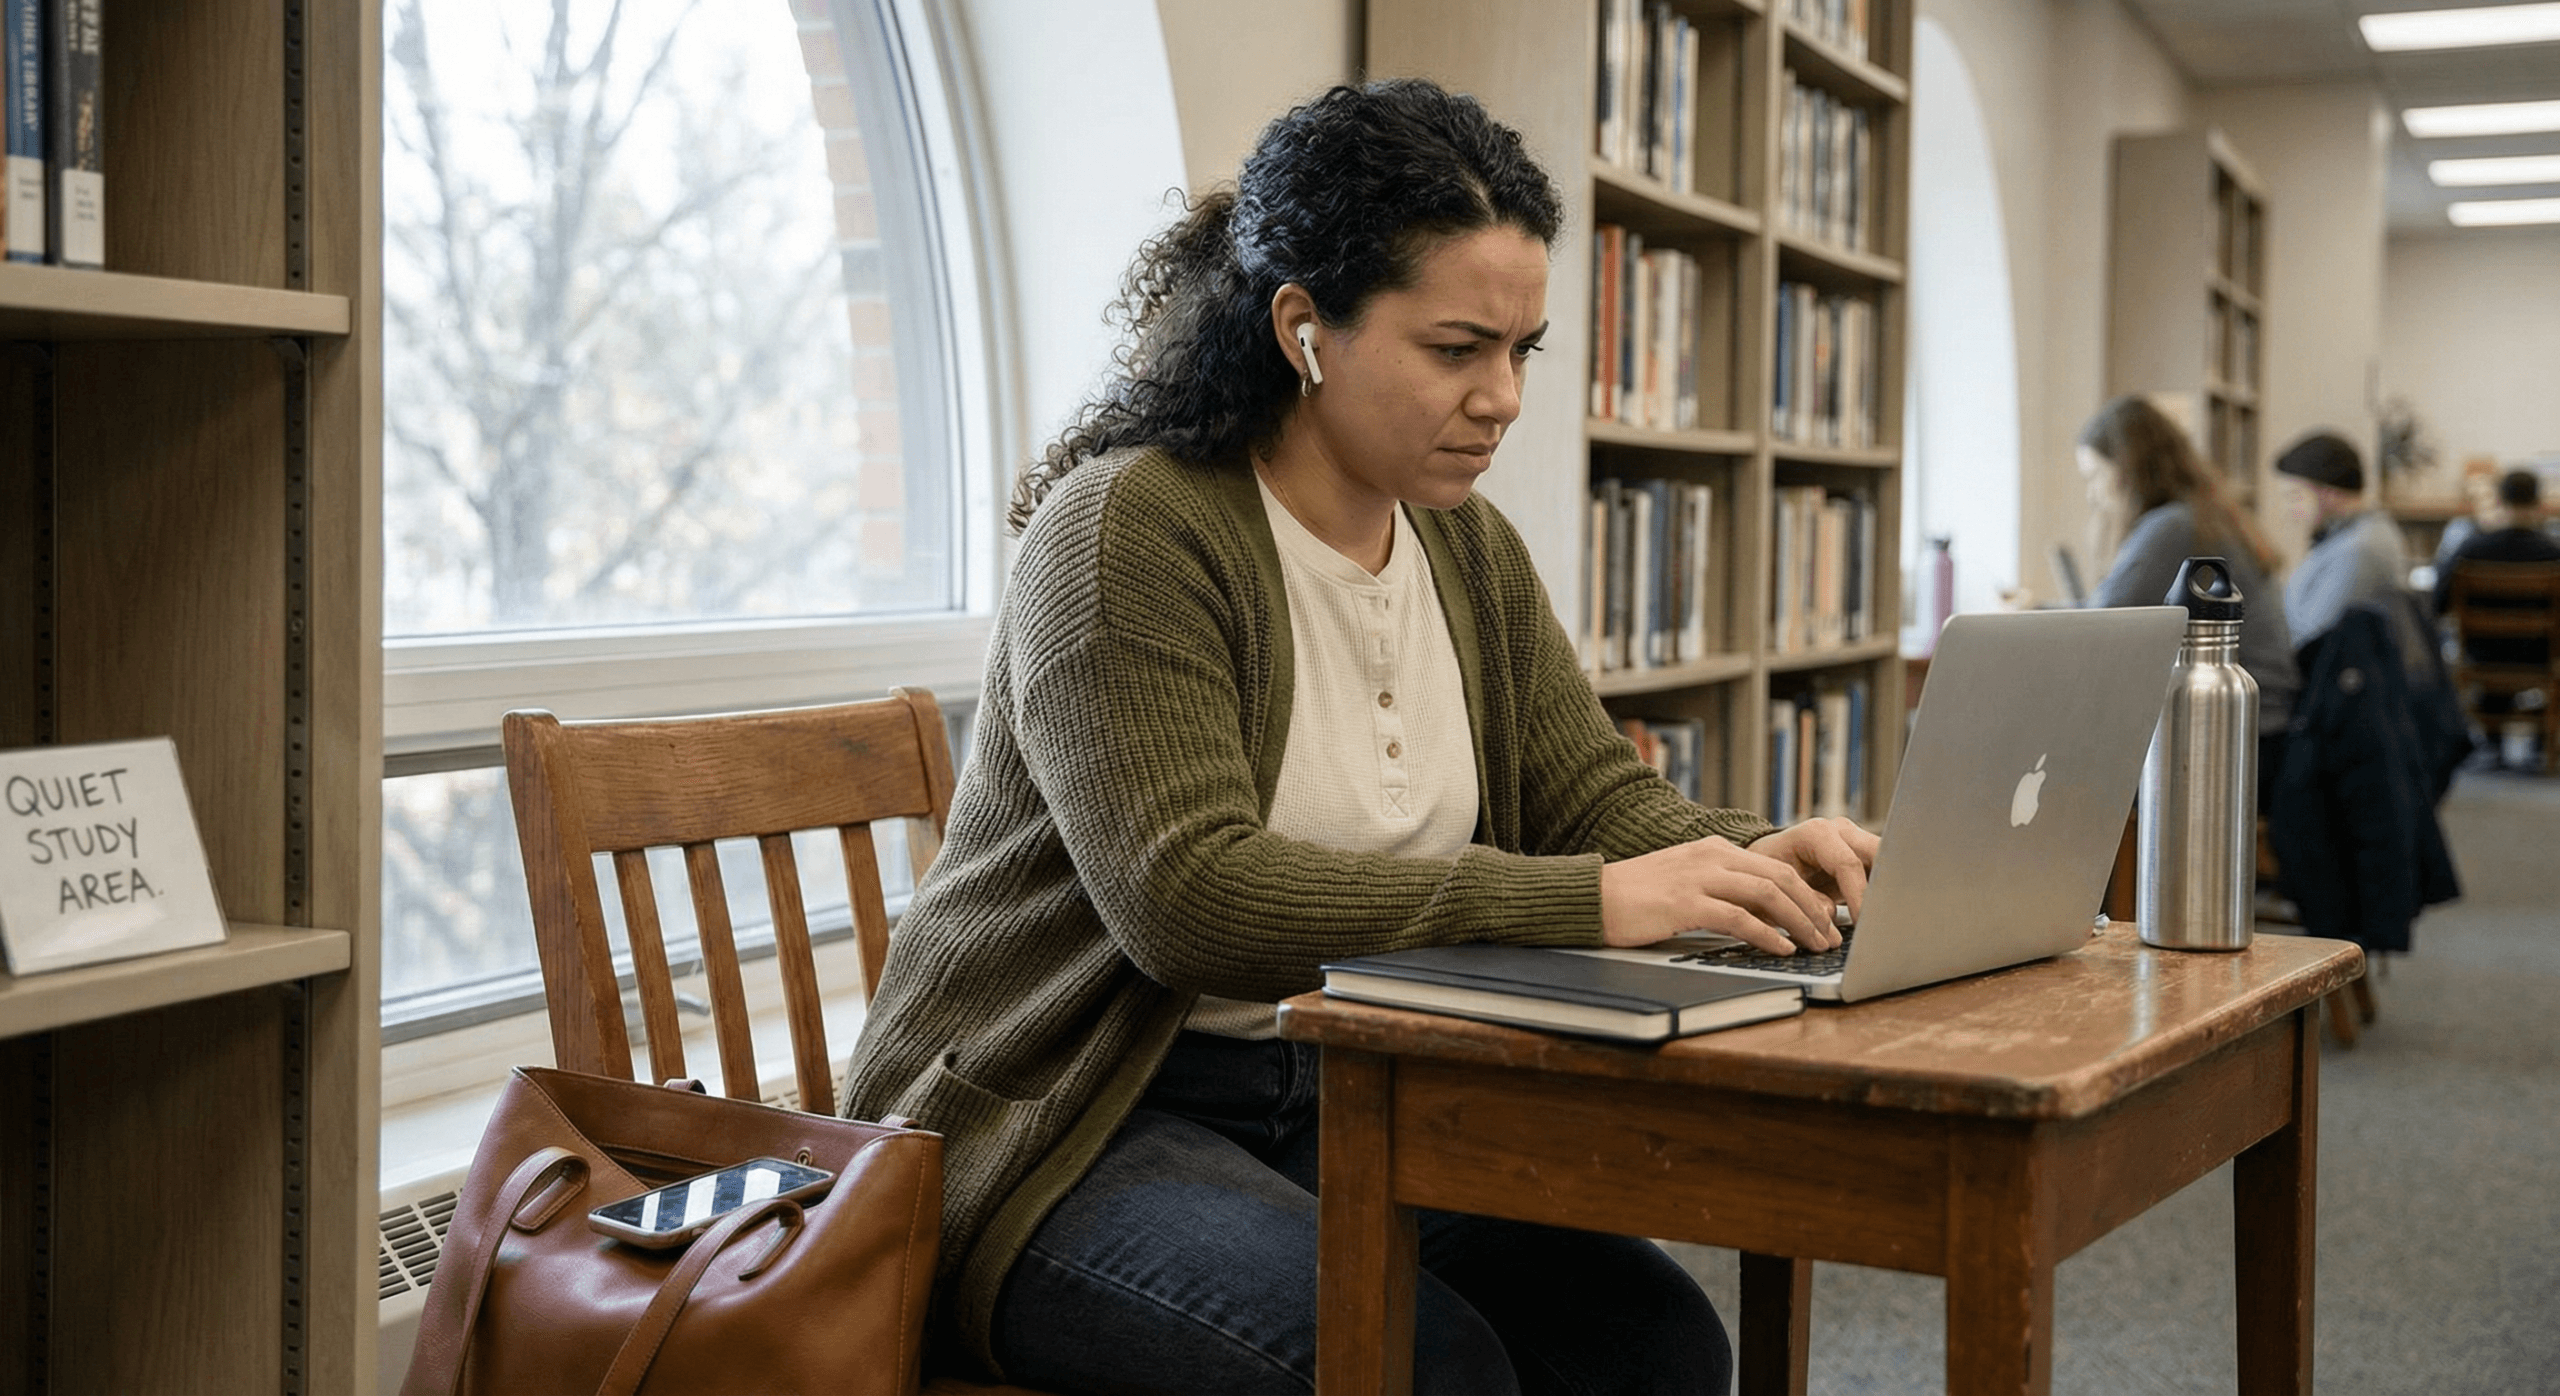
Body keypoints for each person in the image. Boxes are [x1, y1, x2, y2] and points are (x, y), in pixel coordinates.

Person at [840, 80, 1877, 1396]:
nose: (1503, 398)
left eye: (1523, 351)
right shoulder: (1127, 532)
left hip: (1352, 1091)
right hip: (1069, 1125)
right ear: (1303, 328)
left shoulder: (1461, 540)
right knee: (1428, 1369)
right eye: (1456, 349)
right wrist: (1597, 903)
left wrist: (1763, 855)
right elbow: (1189, 899)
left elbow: (1595, 804)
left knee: (1656, 1348)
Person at [2076, 394, 2300, 787]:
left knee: (2080, 778)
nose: (2092, 494)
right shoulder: (2199, 514)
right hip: (2268, 726)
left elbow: (2100, 626)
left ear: (2125, 470)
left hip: (2243, 737)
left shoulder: (2171, 527)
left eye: (2094, 476)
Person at [2274, 430, 2410, 647]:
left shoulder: (2360, 550)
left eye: (2295, 497)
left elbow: (2311, 641)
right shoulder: (2349, 535)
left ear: (2329, 494)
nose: (2288, 510)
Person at [2430, 467, 2560, 617]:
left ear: (2500, 500)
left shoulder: (2471, 550)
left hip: (2480, 640)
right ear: (2537, 502)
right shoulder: (2554, 553)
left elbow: (2439, 603)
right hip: (2540, 640)